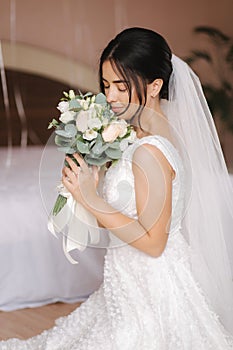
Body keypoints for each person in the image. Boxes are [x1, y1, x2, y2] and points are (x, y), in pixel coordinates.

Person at [1, 27, 233, 349]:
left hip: (152, 291)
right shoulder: (134, 137)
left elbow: (154, 243)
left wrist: (90, 198)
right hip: (126, 282)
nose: (110, 96)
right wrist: (91, 189)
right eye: (107, 85)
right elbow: (120, 223)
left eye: (121, 87)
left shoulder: (150, 150)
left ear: (155, 86)